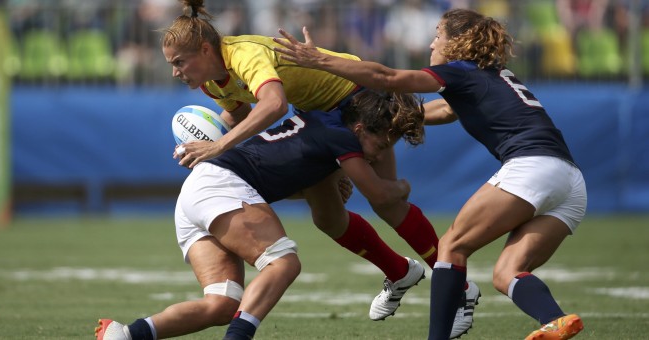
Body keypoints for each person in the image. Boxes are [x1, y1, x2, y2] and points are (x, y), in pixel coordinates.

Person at [158, 0, 478, 336]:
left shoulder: (243, 54)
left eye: (179, 62)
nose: (175, 72)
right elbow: (237, 117)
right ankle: (400, 271)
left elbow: (273, 104)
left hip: (356, 99)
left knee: (386, 200)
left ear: (206, 50)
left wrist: (218, 146)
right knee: (327, 217)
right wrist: (202, 146)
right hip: (320, 119)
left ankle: (460, 289)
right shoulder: (213, 82)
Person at [274, 7, 587, 340]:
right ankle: (555, 320)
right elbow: (446, 110)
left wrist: (319, 60)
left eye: (438, 36)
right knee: (507, 273)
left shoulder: (459, 71)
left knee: (450, 247)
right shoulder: (492, 74)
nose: (431, 44)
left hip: (532, 167)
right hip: (570, 182)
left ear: (457, 44)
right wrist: (392, 118)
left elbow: (386, 77)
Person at [95, 89, 424, 340]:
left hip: (198, 193)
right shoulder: (342, 137)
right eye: (382, 143)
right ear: (360, 126)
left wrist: (321, 182)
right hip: (222, 186)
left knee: (222, 304)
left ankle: (125, 334)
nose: (383, 151)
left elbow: (280, 172)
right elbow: (379, 193)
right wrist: (404, 186)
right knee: (284, 263)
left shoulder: (317, 120)